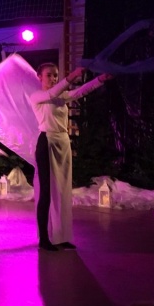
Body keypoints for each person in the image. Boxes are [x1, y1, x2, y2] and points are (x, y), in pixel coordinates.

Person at [30, 64, 113, 251]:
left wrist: (100, 79)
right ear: (39, 77)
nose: (53, 78)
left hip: (63, 142)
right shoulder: (37, 96)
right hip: (47, 142)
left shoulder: (62, 96)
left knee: (63, 190)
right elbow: (52, 93)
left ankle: (61, 236)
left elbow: (82, 91)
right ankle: (44, 238)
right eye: (49, 75)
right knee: (46, 192)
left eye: (55, 75)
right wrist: (73, 75)